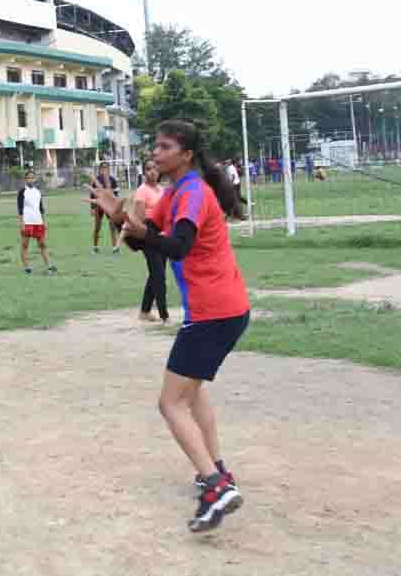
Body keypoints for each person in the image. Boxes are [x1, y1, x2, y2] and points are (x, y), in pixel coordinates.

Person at [90, 119, 248, 534]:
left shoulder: (193, 193)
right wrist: (118, 216)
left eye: (164, 147)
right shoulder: (175, 193)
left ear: (186, 155)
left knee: (170, 403)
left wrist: (138, 228)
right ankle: (217, 472)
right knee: (193, 396)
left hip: (214, 311)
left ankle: (215, 488)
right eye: (155, 147)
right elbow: (144, 239)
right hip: (218, 309)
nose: (155, 153)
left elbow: (178, 246)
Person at [132, 160, 168, 323]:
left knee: (156, 274)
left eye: (154, 168)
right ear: (144, 172)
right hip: (149, 235)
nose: (152, 172)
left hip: (163, 235)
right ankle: (164, 315)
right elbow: (139, 219)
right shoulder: (142, 191)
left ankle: (145, 311)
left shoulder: (162, 190)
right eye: (148, 169)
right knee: (159, 276)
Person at [17, 169, 56, 275]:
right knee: (25, 245)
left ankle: (49, 266)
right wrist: (21, 223)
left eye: (32, 177)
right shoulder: (22, 191)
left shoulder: (37, 191)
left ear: (34, 179)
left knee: (42, 244)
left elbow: (41, 208)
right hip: (27, 222)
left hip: (38, 221)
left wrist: (44, 221)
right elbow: (20, 209)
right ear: (25, 179)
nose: (30, 179)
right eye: (28, 177)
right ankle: (27, 267)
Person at [90, 161, 121, 255]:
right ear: (100, 169)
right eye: (103, 168)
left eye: (106, 168)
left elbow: (116, 194)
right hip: (99, 206)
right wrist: (92, 208)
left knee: (112, 227)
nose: (104, 169)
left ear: (109, 169)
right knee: (97, 227)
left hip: (109, 207)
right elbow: (92, 194)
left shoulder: (113, 180)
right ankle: (95, 247)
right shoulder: (97, 179)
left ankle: (115, 248)